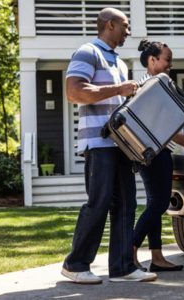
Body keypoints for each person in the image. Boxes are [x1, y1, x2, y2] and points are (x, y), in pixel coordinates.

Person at [61, 8, 157, 284]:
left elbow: (119, 102)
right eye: (125, 26)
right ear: (110, 24)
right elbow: (74, 91)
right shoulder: (88, 52)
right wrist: (118, 90)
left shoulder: (119, 62)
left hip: (121, 144)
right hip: (98, 143)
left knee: (127, 204)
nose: (128, 31)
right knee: (99, 202)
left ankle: (123, 267)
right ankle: (76, 264)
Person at [133, 39, 184, 272]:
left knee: (156, 204)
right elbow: (151, 122)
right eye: (167, 60)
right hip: (153, 153)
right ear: (152, 60)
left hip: (156, 150)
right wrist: (178, 137)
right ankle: (130, 251)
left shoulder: (159, 84)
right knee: (159, 204)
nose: (170, 66)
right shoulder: (148, 87)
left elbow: (165, 115)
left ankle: (156, 256)